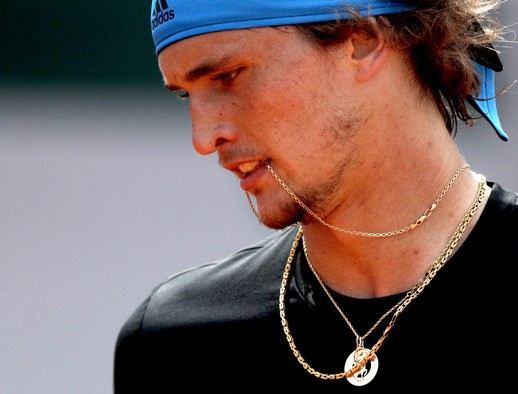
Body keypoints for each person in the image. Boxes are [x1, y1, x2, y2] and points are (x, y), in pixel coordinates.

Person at [114, 0, 517, 391]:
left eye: (228, 76)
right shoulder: (173, 344)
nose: (202, 139)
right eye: (186, 95)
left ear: (364, 39)